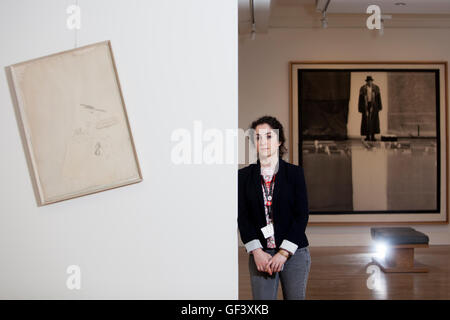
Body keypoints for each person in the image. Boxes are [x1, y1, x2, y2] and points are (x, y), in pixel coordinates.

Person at [238, 115, 311, 300]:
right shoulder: (243, 176)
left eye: (269, 136)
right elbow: (243, 217)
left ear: (280, 141)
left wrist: (283, 253)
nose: (263, 142)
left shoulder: (295, 174)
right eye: (258, 137)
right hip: (260, 255)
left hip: (293, 253)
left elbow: (301, 215)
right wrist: (256, 251)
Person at [358, 76, 382, 141]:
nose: (369, 82)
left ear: (372, 81)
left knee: (374, 121)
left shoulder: (376, 88)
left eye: (370, 81)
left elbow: (379, 98)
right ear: (366, 81)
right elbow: (360, 99)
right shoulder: (363, 88)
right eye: (368, 81)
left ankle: (373, 136)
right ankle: (367, 136)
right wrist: (360, 108)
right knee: (366, 121)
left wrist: (379, 107)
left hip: (374, 105)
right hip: (365, 106)